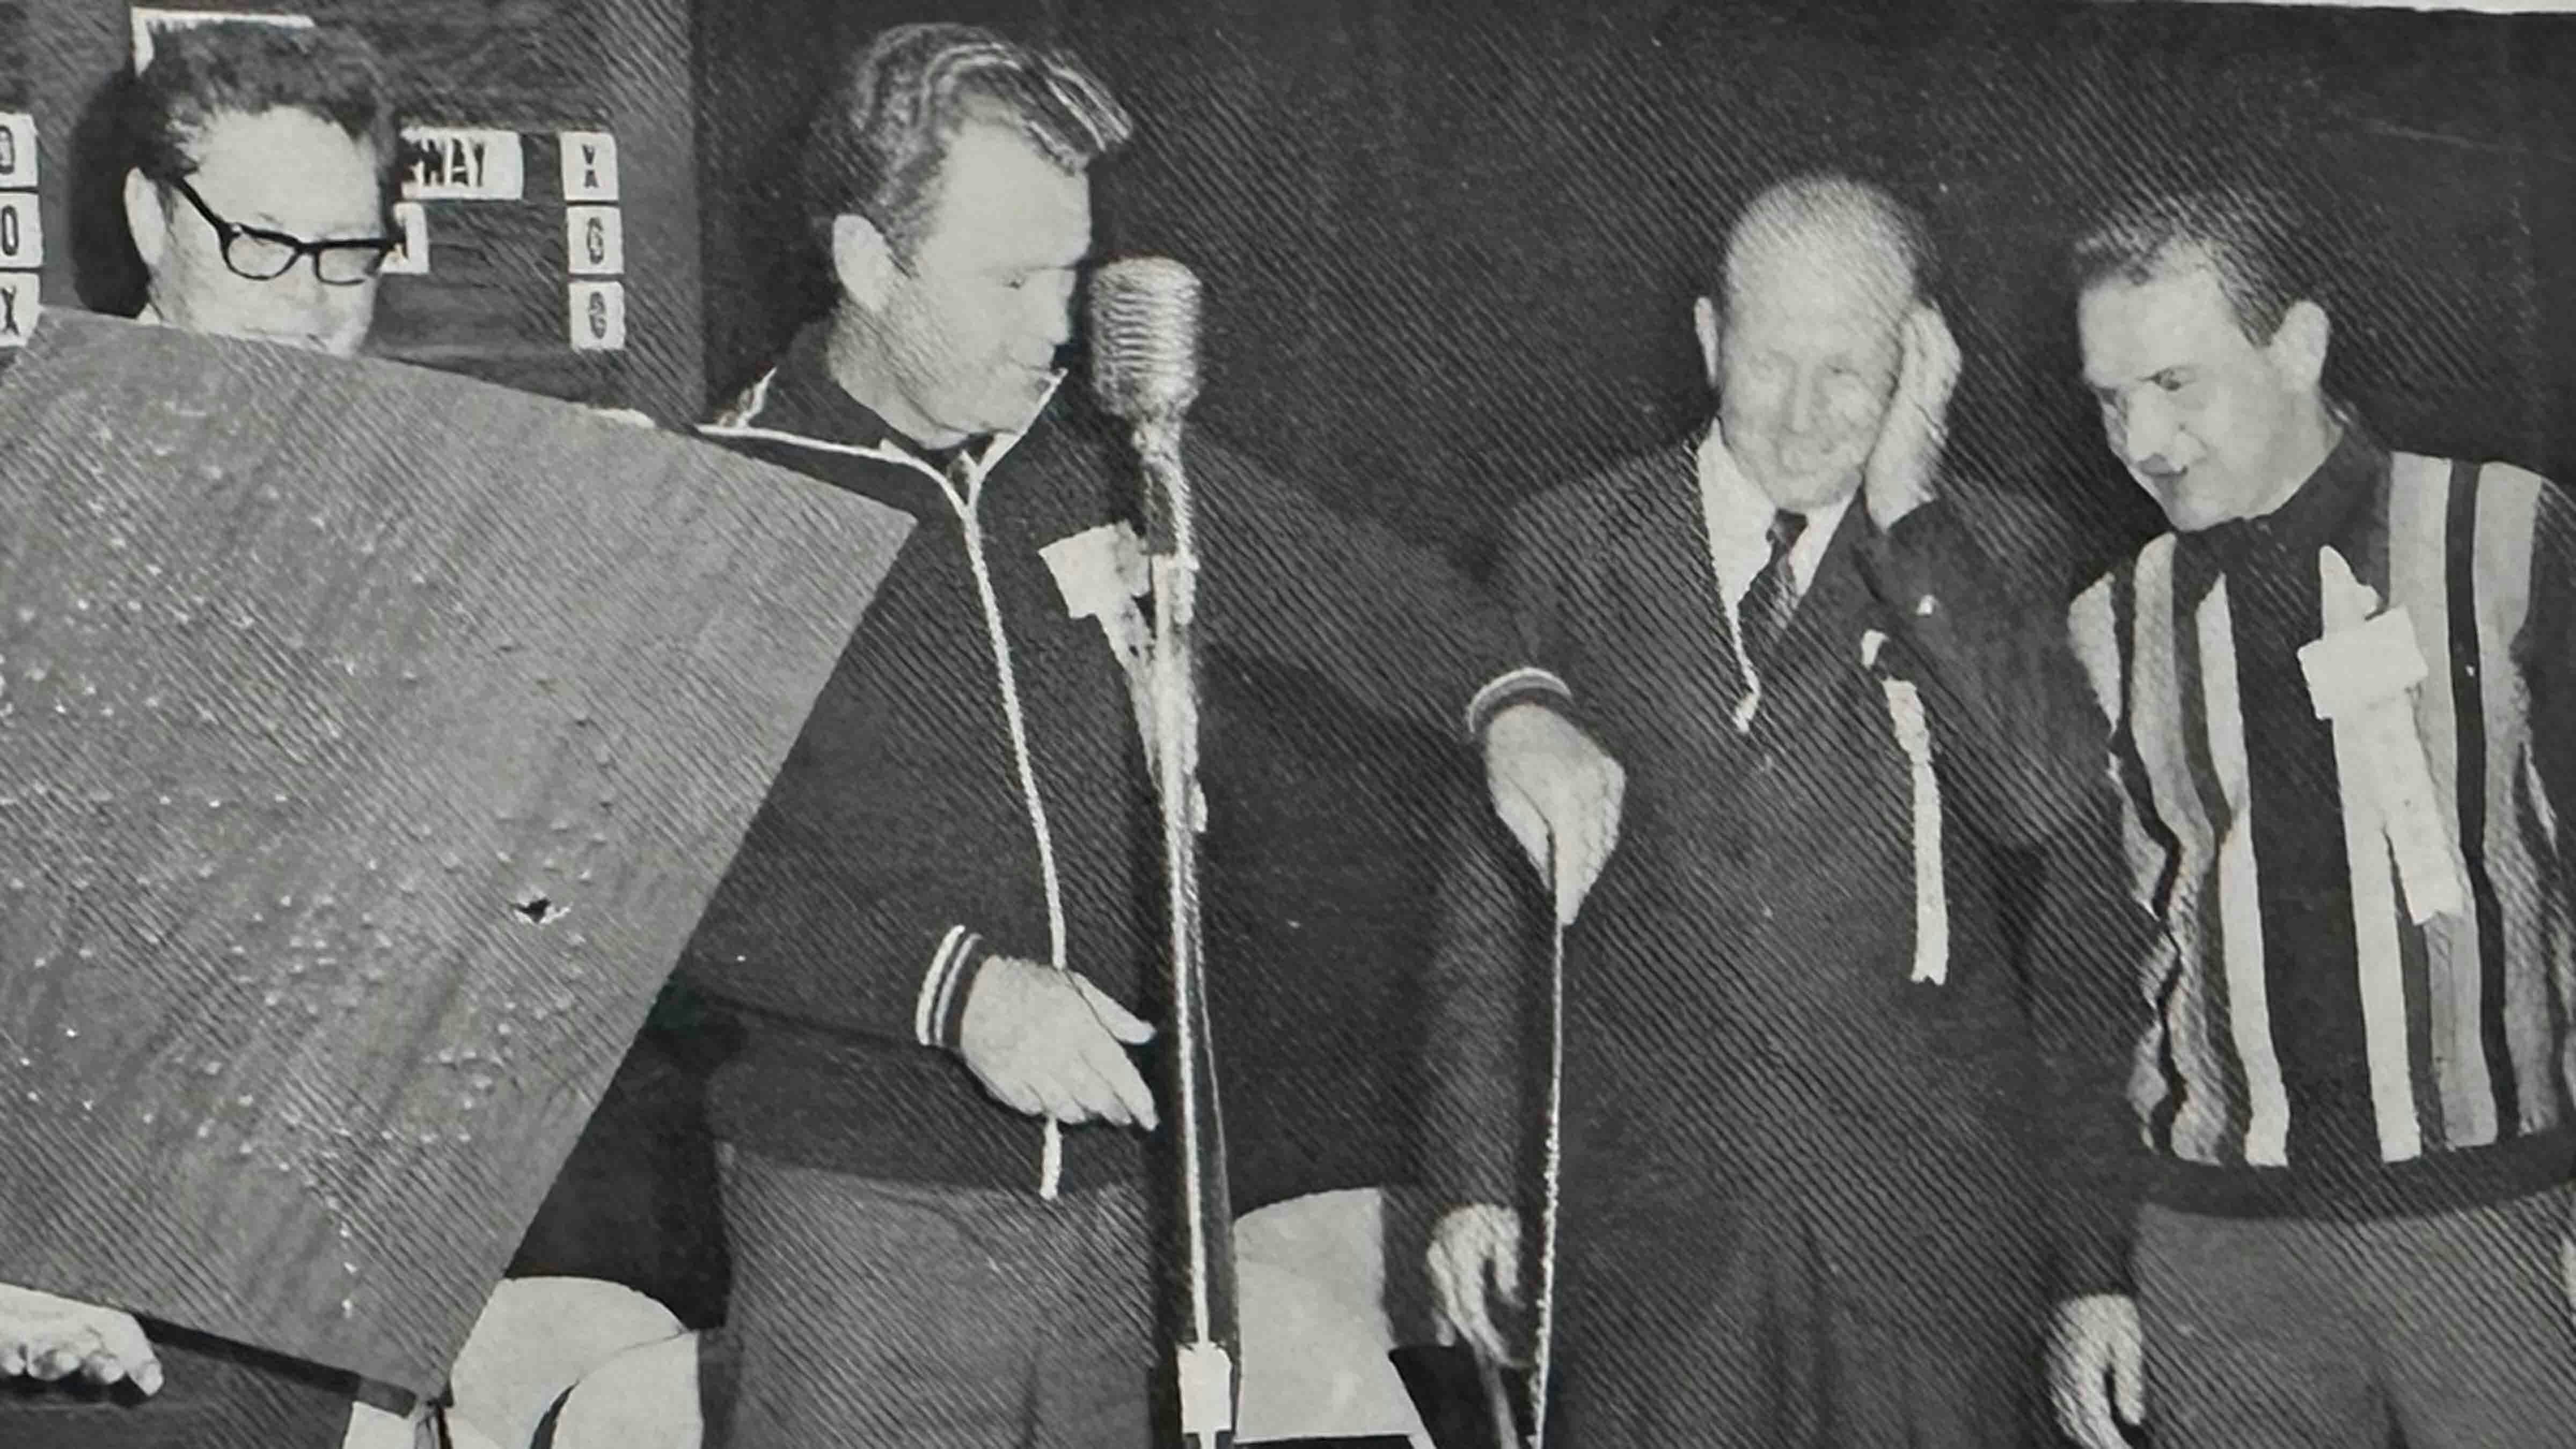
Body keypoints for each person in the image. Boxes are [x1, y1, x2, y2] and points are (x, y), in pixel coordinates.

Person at [678, 21, 1623, 1447]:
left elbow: (1357, 586)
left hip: (1128, 1214)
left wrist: (1515, 703)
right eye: (1007, 280)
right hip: (865, 1231)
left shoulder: (1110, 458)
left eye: (1069, 272)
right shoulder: (731, 494)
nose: (1054, 327)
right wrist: (959, 993)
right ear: (869, 265)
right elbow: (679, 884)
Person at [1418, 174, 2145, 1446]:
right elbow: (1487, 914)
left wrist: (2091, 1263)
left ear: (1922, 361)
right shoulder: (1565, 549)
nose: (1806, 417)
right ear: (1709, 340)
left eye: (1852, 373)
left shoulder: (1996, 553)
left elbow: (2049, 835)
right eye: (1769, 362)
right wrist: (1475, 1178)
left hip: (1927, 1264)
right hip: (1651, 1248)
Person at [0, 23, 475, 1449]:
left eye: (351, 252)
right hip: (56, 1323)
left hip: (315, 1310)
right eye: (262, 244)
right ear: (152, 219)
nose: (313, 304)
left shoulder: (425, 531)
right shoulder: (21, 485)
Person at [2046, 186, 2576, 1449]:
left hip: (2488, 1223)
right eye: (2112, 399)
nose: (2145, 440)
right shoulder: (2107, 626)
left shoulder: (2505, 533)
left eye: (2178, 382)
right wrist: (2090, 1272)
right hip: (2219, 1254)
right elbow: (2082, 981)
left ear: (2298, 344)